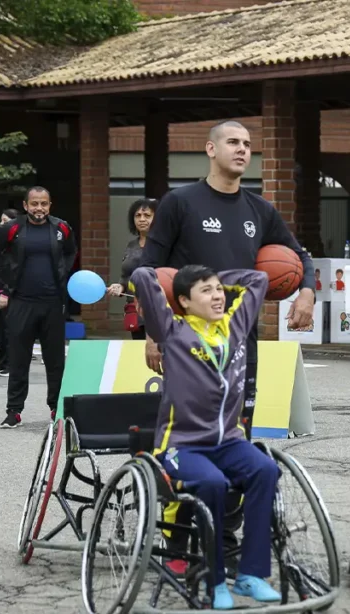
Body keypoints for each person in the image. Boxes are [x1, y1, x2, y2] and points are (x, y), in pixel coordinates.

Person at [138, 119, 315, 572]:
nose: (242, 150)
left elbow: (298, 257)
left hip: (240, 342)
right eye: (233, 142)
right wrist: (152, 334)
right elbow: (149, 268)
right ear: (210, 150)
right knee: (189, 441)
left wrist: (307, 291)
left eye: (248, 144)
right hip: (185, 345)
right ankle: (177, 543)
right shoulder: (180, 203)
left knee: (238, 440)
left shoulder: (259, 209)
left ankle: (226, 538)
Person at [130, 264, 281, 609]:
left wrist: (216, 278)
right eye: (206, 291)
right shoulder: (172, 331)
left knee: (266, 470)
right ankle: (215, 582)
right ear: (183, 301)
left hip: (227, 441)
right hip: (182, 445)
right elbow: (141, 276)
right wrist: (172, 278)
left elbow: (258, 279)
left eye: (218, 290)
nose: (216, 296)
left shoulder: (236, 326)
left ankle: (251, 574)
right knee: (212, 483)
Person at [0, 186, 78, 428]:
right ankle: (14, 411)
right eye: (35, 204)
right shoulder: (12, 228)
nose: (40, 208)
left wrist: (61, 275)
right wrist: (8, 278)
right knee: (19, 358)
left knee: (55, 360)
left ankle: (56, 408)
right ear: (26, 205)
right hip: (21, 302)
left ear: (50, 205)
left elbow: (71, 253)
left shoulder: (61, 228)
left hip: (53, 303)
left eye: (44, 204)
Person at [107, 197, 158, 340]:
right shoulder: (131, 245)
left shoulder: (165, 245)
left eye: (147, 215)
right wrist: (120, 287)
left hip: (159, 310)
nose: (142, 219)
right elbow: (125, 275)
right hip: (134, 310)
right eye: (138, 215)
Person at [0, 208, 19, 377]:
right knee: (0, 329)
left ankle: (11, 365)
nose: (2, 223)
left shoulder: (15, 244)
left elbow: (13, 270)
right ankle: (2, 362)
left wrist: (6, 293)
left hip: (9, 292)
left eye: (6, 220)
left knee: (10, 330)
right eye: (1, 220)